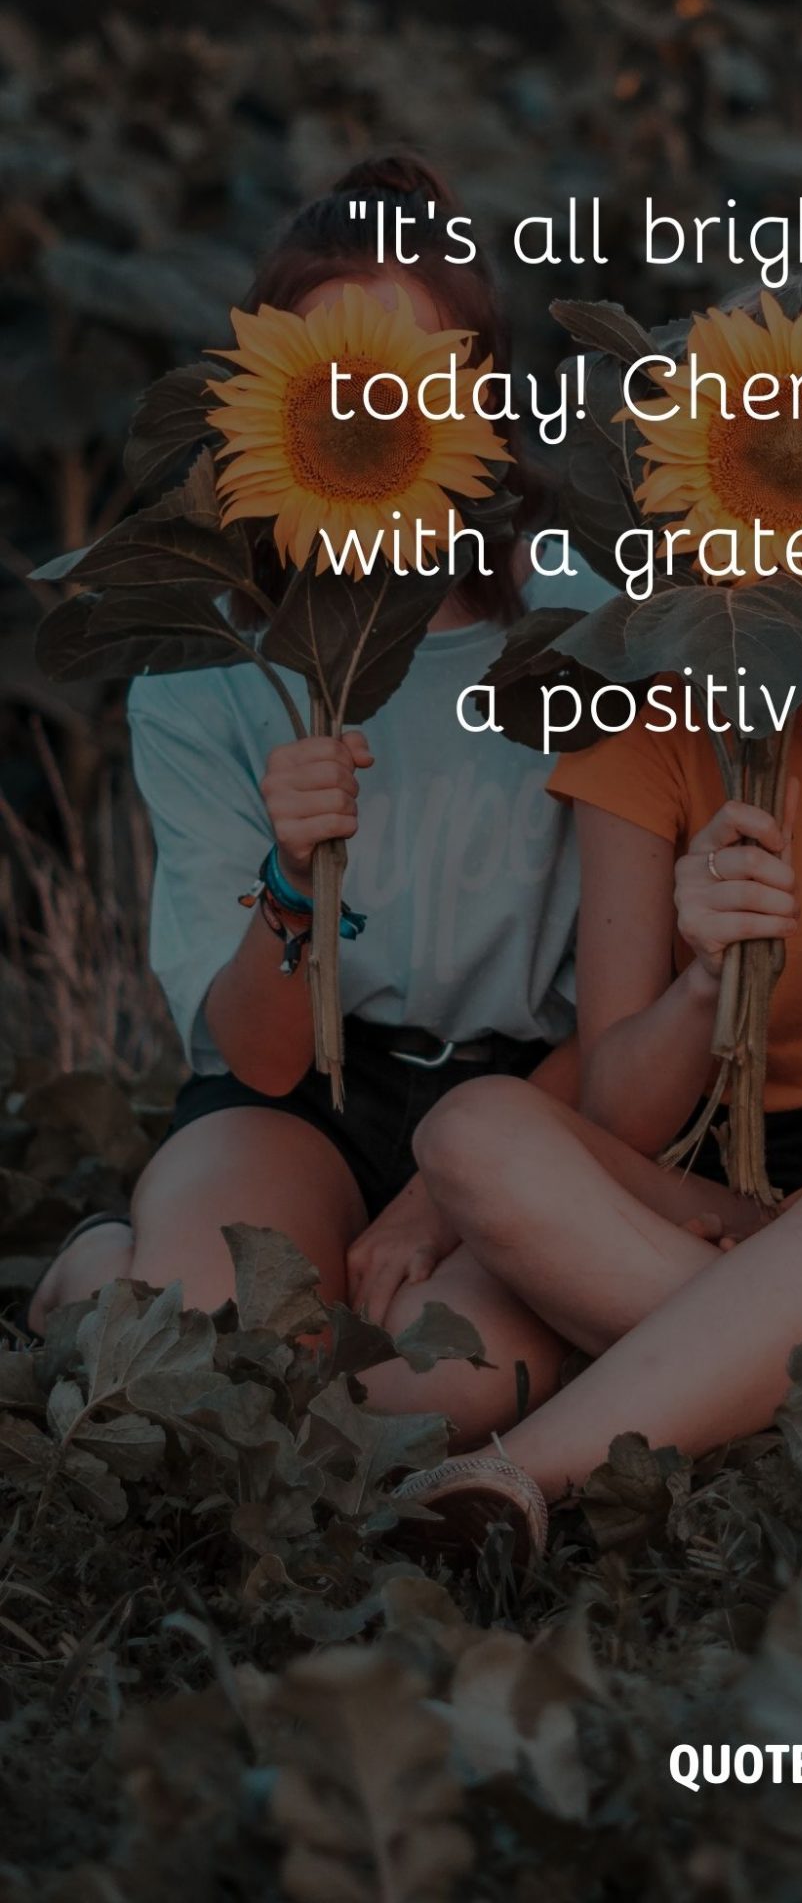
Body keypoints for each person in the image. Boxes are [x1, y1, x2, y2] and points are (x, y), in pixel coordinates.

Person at [393, 284, 802, 1554]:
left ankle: (532, 1468)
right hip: (708, 1180)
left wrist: (797, 1236)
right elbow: (613, 1109)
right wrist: (704, 988)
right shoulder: (651, 692)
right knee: (473, 1132)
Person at [31, 154, 612, 1445]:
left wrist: (436, 1200)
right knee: (202, 1365)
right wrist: (293, 878)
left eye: (413, 378)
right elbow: (261, 1057)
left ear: (476, 398)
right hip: (291, 1103)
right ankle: (111, 1267)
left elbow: (625, 996)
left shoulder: (580, 631)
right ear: (266, 400)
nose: (369, 409)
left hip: (523, 1103)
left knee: (445, 1394)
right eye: (332, 381)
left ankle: (123, 1290)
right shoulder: (210, 662)